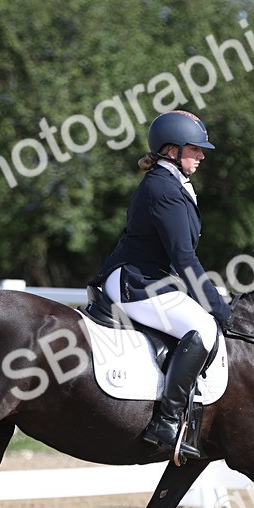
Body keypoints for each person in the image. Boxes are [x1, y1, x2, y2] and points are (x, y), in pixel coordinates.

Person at [90, 110, 232, 458]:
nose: (201, 156)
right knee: (204, 328)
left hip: (149, 279)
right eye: (195, 149)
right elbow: (184, 258)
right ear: (172, 150)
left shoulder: (170, 182)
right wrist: (218, 308)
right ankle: (166, 423)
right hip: (135, 283)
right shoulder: (163, 188)